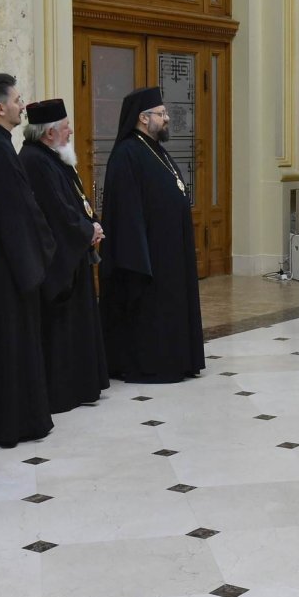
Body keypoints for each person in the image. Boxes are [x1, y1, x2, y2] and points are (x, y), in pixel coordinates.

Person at [0, 74, 56, 446]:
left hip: (5, 265)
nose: (22, 105)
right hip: (6, 270)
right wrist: (37, 263)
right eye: (17, 100)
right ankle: (14, 423)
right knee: (9, 348)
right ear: (0, 108)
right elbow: (15, 215)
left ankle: (19, 419)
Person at [101, 87, 205, 382]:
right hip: (148, 257)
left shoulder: (154, 148)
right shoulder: (126, 154)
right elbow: (126, 213)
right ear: (143, 119)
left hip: (170, 252)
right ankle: (153, 364)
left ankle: (179, 359)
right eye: (161, 114)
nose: (167, 118)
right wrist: (139, 257)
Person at [19, 99, 110, 412]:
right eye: (65, 126)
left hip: (75, 252)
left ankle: (84, 383)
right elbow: (55, 212)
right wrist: (87, 232)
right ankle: (65, 389)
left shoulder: (54, 157)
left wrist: (93, 221)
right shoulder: (35, 161)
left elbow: (77, 199)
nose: (70, 130)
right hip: (58, 261)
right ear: (48, 133)